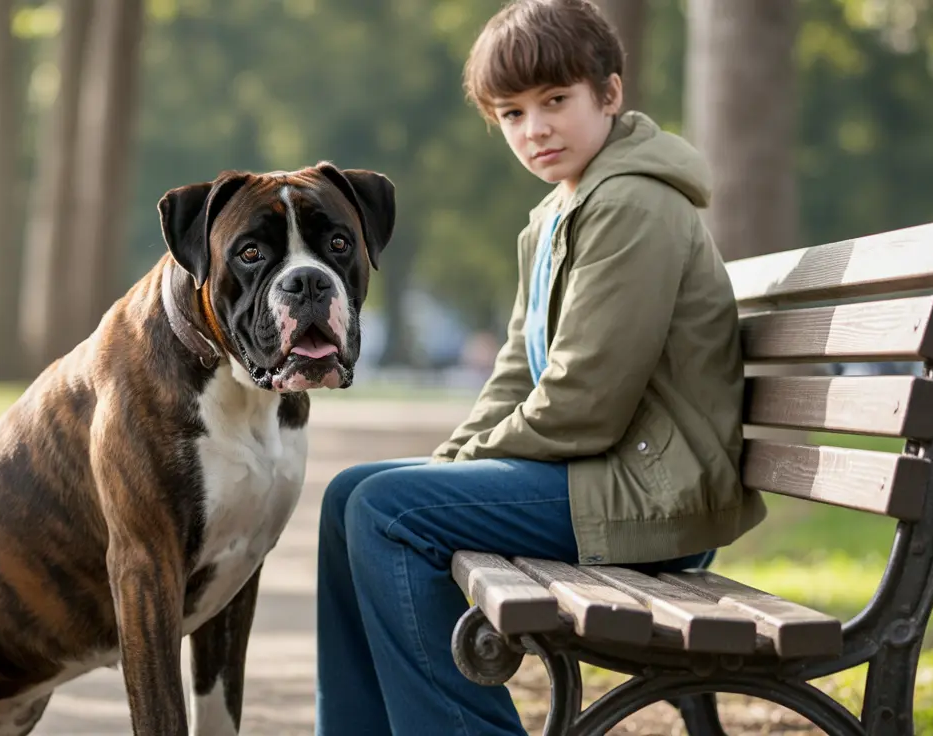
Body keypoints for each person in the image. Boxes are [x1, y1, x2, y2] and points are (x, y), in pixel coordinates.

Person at [313, 0, 768, 733]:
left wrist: (453, 473)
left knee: (386, 510)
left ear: (610, 95)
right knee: (352, 496)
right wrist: (451, 462)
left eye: (556, 101)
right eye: (513, 113)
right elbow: (515, 379)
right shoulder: (556, 215)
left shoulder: (632, 205)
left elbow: (584, 403)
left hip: (654, 496)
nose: (536, 130)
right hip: (603, 480)